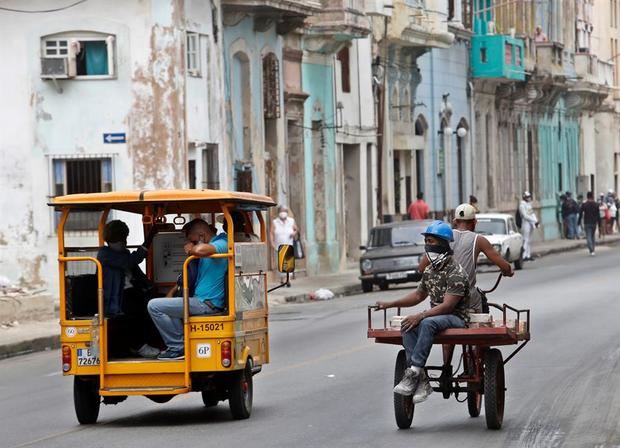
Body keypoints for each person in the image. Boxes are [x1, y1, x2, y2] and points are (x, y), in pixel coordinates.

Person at [376, 221, 474, 404]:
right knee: (407, 324)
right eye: (426, 241)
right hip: (436, 316)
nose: (428, 246)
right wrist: (390, 304)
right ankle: (421, 378)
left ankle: (413, 372)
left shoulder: (456, 272)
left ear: (444, 244)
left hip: (457, 318)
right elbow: (419, 295)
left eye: (431, 241)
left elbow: (447, 307)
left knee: (427, 322)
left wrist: (420, 315)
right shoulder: (430, 270)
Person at [148, 219, 228, 360]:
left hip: (207, 303)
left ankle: (177, 347)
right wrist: (172, 291)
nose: (190, 244)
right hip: (198, 301)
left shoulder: (222, 242)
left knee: (154, 306)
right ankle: (180, 345)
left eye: (193, 240)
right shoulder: (207, 248)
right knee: (166, 306)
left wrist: (192, 249)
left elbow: (200, 250)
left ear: (202, 236)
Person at [419, 203, 513, 313]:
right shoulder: (479, 240)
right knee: (478, 304)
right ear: (474, 222)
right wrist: (507, 271)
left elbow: (421, 268)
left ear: (455, 221)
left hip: (440, 300)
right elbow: (504, 266)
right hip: (467, 301)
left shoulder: (443, 238)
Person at [97, 220, 160, 358]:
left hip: (130, 292)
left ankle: (153, 342)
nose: (123, 243)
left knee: (152, 305)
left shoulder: (122, 253)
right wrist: (150, 238)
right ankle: (139, 346)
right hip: (116, 297)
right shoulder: (105, 255)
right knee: (135, 309)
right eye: (118, 240)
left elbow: (137, 273)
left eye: (123, 240)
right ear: (110, 241)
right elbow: (132, 261)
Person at [270, 205, 298, 286]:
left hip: (289, 244)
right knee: (280, 263)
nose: (283, 213)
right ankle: (282, 280)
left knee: (288, 263)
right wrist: (272, 242)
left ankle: (287, 280)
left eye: (284, 211)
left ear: (287, 212)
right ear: (279, 212)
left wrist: (294, 233)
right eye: (281, 211)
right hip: (279, 245)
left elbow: (296, 229)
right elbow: (271, 233)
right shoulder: (275, 222)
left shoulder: (291, 221)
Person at [519, 191, 538, 261]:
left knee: (529, 240)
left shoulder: (528, 205)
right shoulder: (522, 205)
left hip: (531, 223)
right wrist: (533, 220)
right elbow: (525, 216)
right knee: (525, 239)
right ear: (524, 197)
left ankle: (528, 254)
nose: (529, 198)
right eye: (527, 197)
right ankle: (523, 256)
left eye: (529, 197)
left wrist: (536, 221)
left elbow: (531, 213)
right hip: (525, 223)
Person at [579, 192, 599, 256]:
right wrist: (599, 223)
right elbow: (598, 215)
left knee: (588, 236)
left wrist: (578, 221)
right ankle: (593, 249)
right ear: (592, 196)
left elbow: (580, 213)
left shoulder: (584, 204)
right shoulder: (596, 204)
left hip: (587, 222)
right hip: (594, 223)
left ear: (587, 197)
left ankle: (591, 250)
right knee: (592, 236)